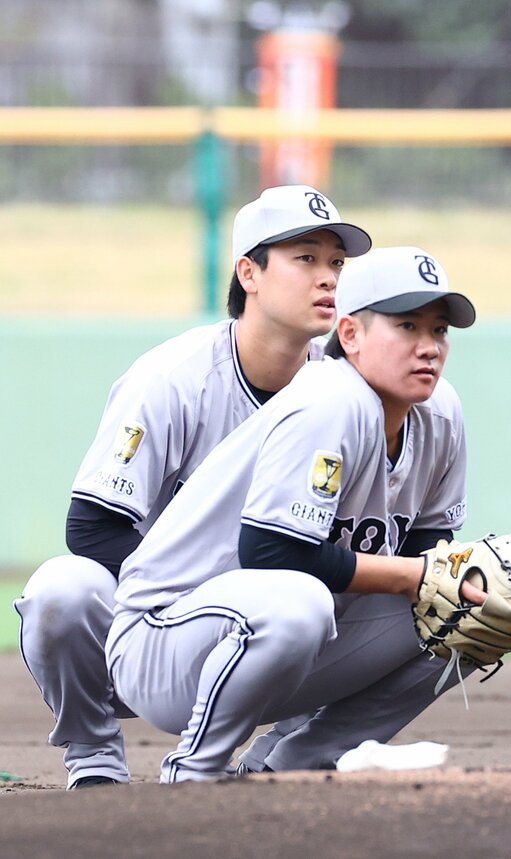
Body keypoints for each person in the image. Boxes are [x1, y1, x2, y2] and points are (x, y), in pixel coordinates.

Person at [13, 185, 370, 788]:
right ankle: (94, 758)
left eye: (335, 263)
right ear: (248, 272)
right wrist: (190, 597)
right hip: (153, 620)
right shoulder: (173, 380)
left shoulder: (346, 395)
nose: (328, 278)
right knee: (60, 590)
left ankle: (287, 752)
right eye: (305, 259)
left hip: (273, 626)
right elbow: (92, 525)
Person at [104, 246, 478, 783]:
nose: (429, 347)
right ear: (349, 335)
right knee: (302, 601)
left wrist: (444, 574)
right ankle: (194, 773)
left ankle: (293, 765)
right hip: (167, 638)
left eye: (439, 330)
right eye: (407, 326)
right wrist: (417, 575)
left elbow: (428, 546)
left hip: (282, 639)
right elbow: (272, 553)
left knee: (479, 603)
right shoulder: (332, 400)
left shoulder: (441, 412)